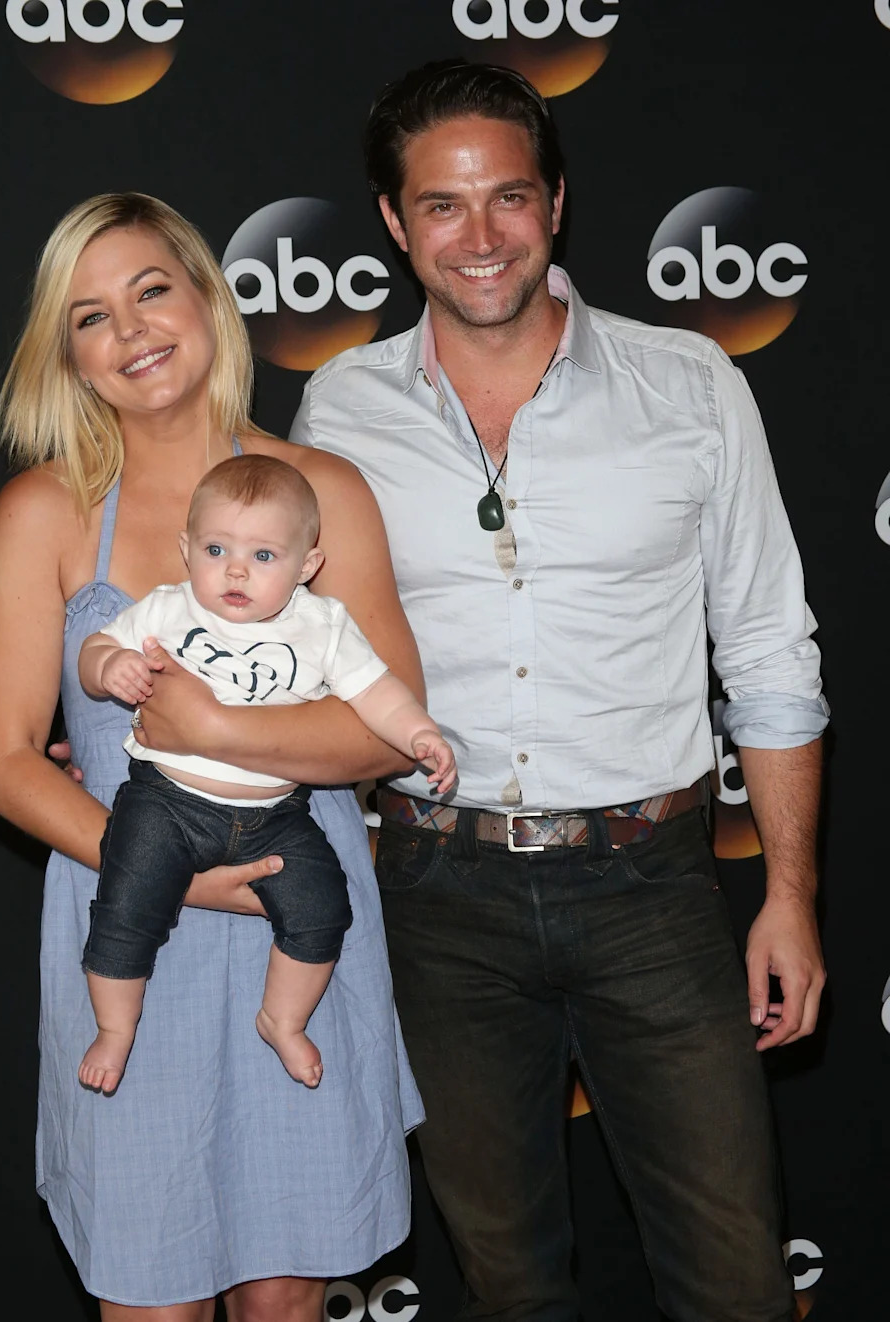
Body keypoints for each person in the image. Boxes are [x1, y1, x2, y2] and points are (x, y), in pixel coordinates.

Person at [286, 61, 830, 1322]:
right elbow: (314, 659)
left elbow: (769, 653)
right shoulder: (339, 408)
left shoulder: (691, 387)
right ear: (392, 222)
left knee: (738, 1278)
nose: (481, 238)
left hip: (653, 889)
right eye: (442, 206)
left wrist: (791, 893)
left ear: (557, 203)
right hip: (434, 894)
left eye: (508, 198)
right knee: (511, 1283)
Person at [0, 191, 424, 1320]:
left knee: (284, 1299)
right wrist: (162, 869)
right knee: (149, 1300)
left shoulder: (328, 495)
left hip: (292, 934)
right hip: (131, 934)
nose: (131, 331)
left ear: (208, 298)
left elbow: (382, 723)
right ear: (67, 359)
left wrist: (213, 727)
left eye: (150, 290)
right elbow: (2, 757)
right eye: (90, 317)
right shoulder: (45, 511)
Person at [78, 452, 455, 1094]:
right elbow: (95, 650)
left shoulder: (322, 626)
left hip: (275, 817)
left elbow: (376, 692)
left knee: (323, 907)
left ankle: (283, 1018)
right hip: (164, 801)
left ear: (307, 567)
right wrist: (108, 667)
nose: (234, 571)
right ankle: (114, 1029)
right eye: (217, 548)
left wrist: (418, 732)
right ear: (186, 548)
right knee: (125, 904)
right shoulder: (168, 610)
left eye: (263, 556)